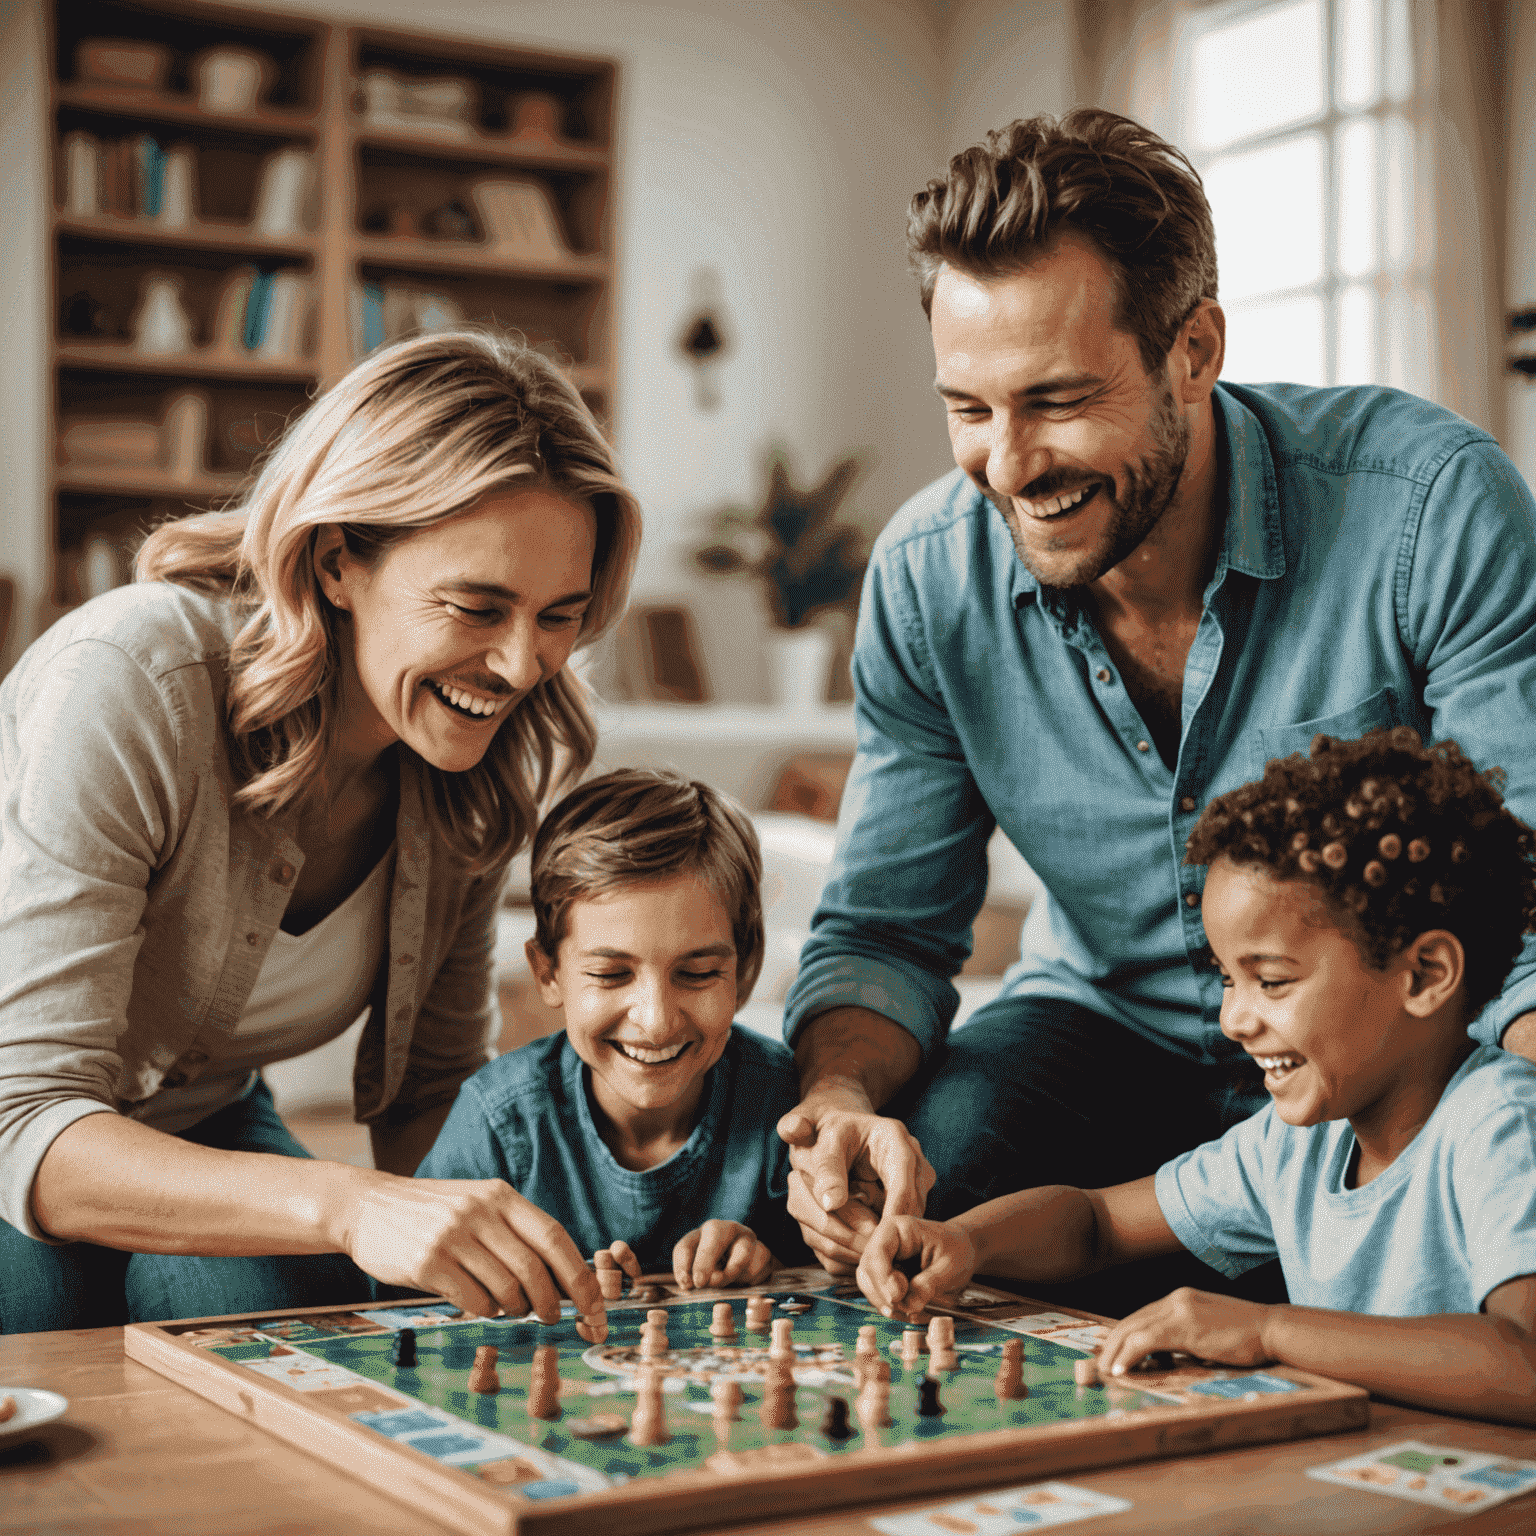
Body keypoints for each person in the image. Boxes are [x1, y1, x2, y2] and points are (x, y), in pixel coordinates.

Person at [777, 109, 1536, 1302]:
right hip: (1098, 1029)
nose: (1011, 467)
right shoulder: (929, 578)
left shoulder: (1428, 510)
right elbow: (886, 927)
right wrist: (836, 1101)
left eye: (1059, 400)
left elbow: (1526, 896)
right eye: (970, 410)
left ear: (1195, 349)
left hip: (1382, 1052)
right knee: (933, 1191)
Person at [0, 329, 641, 1332]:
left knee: (287, 1326)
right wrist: (348, 1203)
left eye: (559, 614)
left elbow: (431, 1098)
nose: (523, 667)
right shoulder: (132, 680)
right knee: (42, 1322)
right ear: (339, 560)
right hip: (19, 1130)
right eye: (478, 607)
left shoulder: (476, 763)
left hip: (199, 1121)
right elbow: (26, 1122)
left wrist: (526, 1245)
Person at [856, 728, 1536, 1425]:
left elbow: (1528, 1359)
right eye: (1227, 979)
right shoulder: (1298, 1143)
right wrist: (969, 1242)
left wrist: (1267, 1331)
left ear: (1424, 975)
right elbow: (1098, 1225)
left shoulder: (1501, 1120)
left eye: (1270, 981)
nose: (1235, 1018)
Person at [417, 768, 810, 1289]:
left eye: (696, 974)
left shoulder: (790, 1108)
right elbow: (410, 1297)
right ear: (548, 973)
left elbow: (842, 1278)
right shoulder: (499, 1121)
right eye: (610, 974)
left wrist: (772, 1266)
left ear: (745, 971)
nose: (655, 1021)